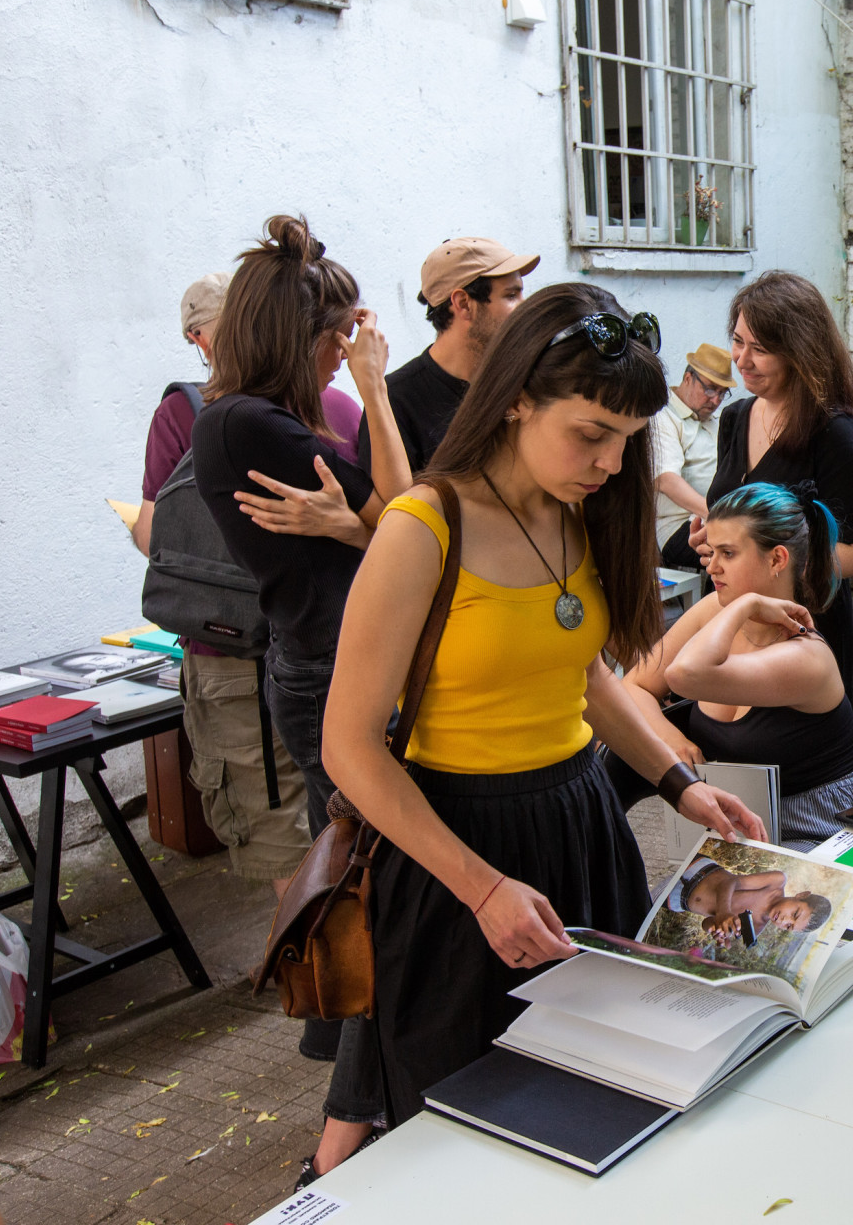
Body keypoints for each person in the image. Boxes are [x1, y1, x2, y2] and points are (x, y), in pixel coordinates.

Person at [321, 283, 765, 1150]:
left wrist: (680, 784)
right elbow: (348, 746)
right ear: (517, 398)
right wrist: (482, 888)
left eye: (627, 441)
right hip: (457, 847)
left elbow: (587, 675)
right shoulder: (423, 527)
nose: (610, 464)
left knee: (604, 1092)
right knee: (468, 1117)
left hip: (581, 825)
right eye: (591, 433)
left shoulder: (578, 512)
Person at [190, 214, 411, 1175]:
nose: (344, 352)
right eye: (336, 337)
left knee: (369, 882)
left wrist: (352, 524)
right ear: (299, 335)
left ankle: (356, 1081)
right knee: (385, 892)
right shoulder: (256, 423)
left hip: (319, 664)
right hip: (331, 672)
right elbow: (410, 517)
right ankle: (340, 1140)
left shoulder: (243, 418)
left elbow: (387, 524)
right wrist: (375, 389)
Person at [131, 272, 331, 899]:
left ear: (200, 339)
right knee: (340, 831)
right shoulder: (329, 400)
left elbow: (154, 534)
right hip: (323, 643)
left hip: (234, 653)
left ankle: (311, 957)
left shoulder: (191, 412)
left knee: (284, 843)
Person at [624, 483, 853, 847]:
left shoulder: (807, 657)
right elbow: (634, 684)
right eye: (711, 552)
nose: (712, 566)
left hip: (828, 821)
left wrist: (746, 605)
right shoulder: (716, 611)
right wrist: (669, 737)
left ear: (777, 559)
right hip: (747, 818)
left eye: (728, 553)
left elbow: (683, 674)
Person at [690, 272, 853, 701]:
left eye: (760, 349)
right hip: (733, 622)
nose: (742, 360)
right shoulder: (735, 418)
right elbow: (739, 518)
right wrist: (715, 542)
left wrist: (767, 566)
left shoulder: (832, 432)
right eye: (738, 341)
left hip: (799, 631)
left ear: (801, 352)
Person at [356, 236, 539, 471]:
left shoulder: (526, 381)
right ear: (463, 303)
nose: (525, 308)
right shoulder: (395, 400)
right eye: (511, 296)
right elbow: (391, 494)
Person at [651, 343, 735, 570]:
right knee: (743, 552)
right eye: (710, 389)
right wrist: (718, 515)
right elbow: (666, 480)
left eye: (722, 393)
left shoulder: (716, 421)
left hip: (719, 518)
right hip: (680, 526)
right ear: (688, 378)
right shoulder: (663, 417)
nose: (716, 400)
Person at [666, 855, 831, 939]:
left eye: (788, 926)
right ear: (802, 895)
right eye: (794, 914)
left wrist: (718, 929)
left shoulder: (755, 928)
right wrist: (724, 912)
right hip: (695, 869)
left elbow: (707, 922)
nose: (784, 920)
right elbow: (730, 882)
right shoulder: (776, 883)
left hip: (677, 900)